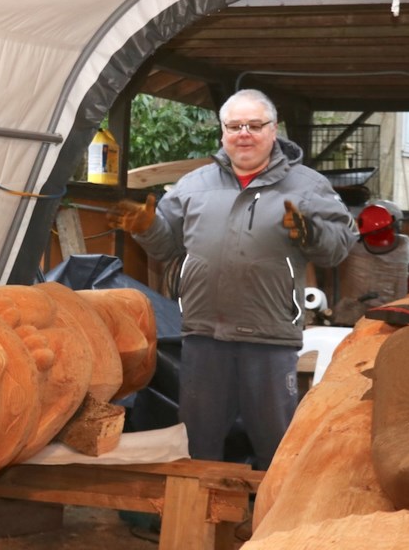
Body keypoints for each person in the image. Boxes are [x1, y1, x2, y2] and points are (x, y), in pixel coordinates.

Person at [107, 88, 357, 471]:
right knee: (197, 446)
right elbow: (166, 246)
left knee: (275, 449)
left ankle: (270, 528)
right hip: (205, 338)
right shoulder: (195, 185)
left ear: (273, 131)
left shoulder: (307, 186)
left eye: (254, 125)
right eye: (235, 126)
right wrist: (146, 227)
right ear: (223, 132)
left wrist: (312, 233)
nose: (244, 134)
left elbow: (338, 247)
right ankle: (198, 528)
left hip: (269, 339)